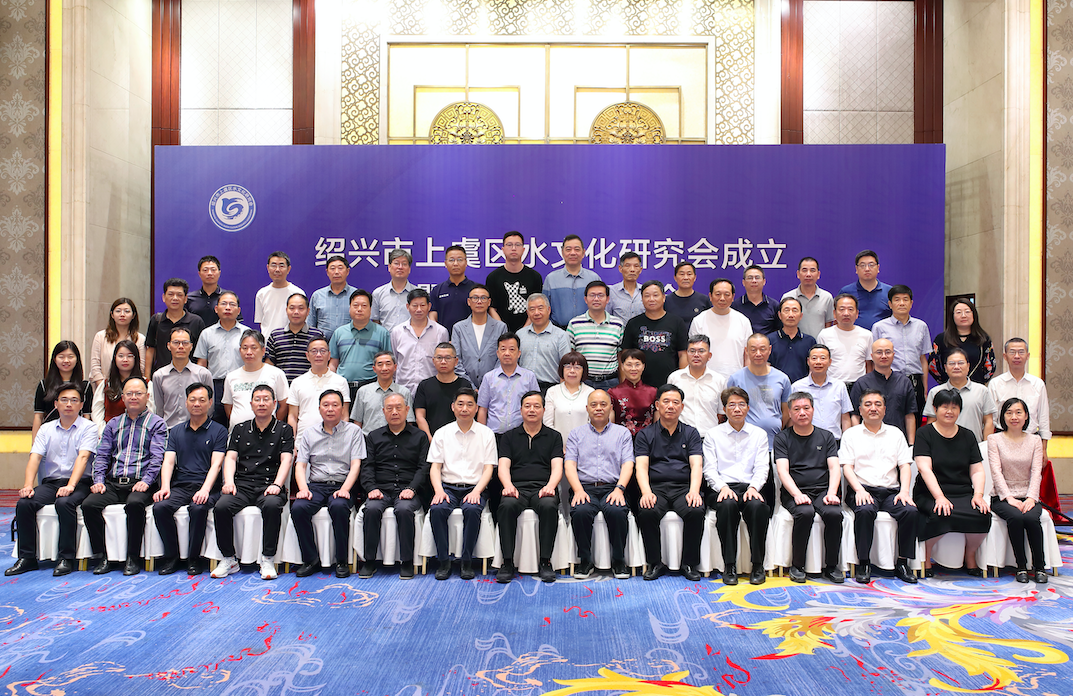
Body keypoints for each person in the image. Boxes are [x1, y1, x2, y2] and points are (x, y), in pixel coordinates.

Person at [6, 383, 96, 577]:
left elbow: (83, 458)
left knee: (64, 503)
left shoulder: (89, 427)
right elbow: (35, 457)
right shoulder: (46, 429)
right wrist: (28, 486)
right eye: (64, 400)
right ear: (56, 404)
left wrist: (70, 485)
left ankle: (66, 558)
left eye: (74, 400)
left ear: (82, 405)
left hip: (80, 482)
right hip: (52, 482)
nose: (69, 404)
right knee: (25, 503)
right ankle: (27, 557)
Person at [83, 376, 168, 575]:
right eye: (129, 394)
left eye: (138, 393)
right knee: (89, 505)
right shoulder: (113, 424)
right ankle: (102, 556)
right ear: (122, 397)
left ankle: (133, 557)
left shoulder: (157, 424)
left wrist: (146, 481)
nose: (133, 397)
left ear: (147, 396)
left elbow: (157, 458)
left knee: (135, 504)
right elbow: (102, 455)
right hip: (114, 482)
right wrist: (98, 481)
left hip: (141, 482)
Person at [211, 385, 295, 581]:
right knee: (221, 507)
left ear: (275, 404)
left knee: (272, 506)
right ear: (251, 404)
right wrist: (229, 482)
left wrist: (277, 485)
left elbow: (286, 460)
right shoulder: (240, 429)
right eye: (257, 399)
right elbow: (231, 458)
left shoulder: (284, 429)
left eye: (266, 399)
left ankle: (267, 558)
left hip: (270, 484)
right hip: (243, 484)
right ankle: (229, 558)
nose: (262, 403)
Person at [839, 389, 919, 584]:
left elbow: (905, 466)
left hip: (891, 491)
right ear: (860, 410)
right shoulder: (851, 434)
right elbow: (847, 467)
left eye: (877, 404)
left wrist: (905, 491)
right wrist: (859, 490)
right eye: (868, 404)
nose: (873, 408)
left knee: (910, 511)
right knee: (865, 510)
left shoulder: (896, 433)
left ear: (884, 409)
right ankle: (863, 563)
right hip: (862, 488)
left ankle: (902, 562)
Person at [151, 383, 229, 576]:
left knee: (198, 508)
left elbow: (216, 465)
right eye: (192, 399)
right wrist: (165, 486)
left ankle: (194, 558)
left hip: (209, 486)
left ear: (210, 403)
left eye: (202, 400)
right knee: (160, 507)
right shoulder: (176, 431)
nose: (197, 404)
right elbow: (169, 462)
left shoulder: (219, 430)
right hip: (182, 485)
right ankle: (172, 557)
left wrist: (205, 490)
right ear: (186, 402)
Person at [913, 389, 992, 577]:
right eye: (944, 407)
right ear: (935, 409)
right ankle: (926, 556)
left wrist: (978, 495)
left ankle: (970, 555)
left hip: (961, 491)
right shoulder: (924, 433)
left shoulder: (968, 435)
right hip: (929, 492)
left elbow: (977, 470)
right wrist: (939, 497)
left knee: (982, 514)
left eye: (954, 407)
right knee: (940, 513)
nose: (949, 411)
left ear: (960, 410)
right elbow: (925, 469)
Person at [291, 389, 366, 578]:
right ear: (319, 409)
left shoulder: (354, 432)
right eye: (326, 405)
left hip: (343, 483)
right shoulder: (309, 433)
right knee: (299, 508)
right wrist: (303, 489)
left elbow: (356, 465)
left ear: (342, 408)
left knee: (339, 507)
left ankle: (341, 561)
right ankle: (311, 559)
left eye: (335, 405)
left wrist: (345, 489)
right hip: (317, 484)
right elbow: (300, 465)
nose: (330, 409)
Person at [634, 384, 705, 581]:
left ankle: (689, 563)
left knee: (695, 510)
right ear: (657, 405)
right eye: (666, 401)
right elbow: (641, 467)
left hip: (683, 488)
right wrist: (646, 492)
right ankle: (655, 563)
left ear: (682, 407)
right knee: (647, 510)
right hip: (656, 488)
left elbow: (697, 465)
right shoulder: (645, 434)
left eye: (675, 402)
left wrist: (694, 491)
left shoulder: (691, 433)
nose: (671, 406)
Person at [702, 386, 771, 586]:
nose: (737, 409)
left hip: (751, 487)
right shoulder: (713, 434)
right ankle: (729, 565)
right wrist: (723, 487)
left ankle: (757, 565)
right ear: (724, 409)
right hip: (722, 487)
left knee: (758, 507)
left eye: (741, 404)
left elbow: (762, 467)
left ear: (748, 408)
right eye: (732, 405)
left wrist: (754, 488)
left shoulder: (759, 434)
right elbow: (709, 469)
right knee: (727, 506)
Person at [428, 387, 498, 580]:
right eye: (460, 404)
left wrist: (477, 492)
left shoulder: (486, 433)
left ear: (476, 408)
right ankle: (443, 561)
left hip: (476, 487)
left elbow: (488, 469)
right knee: (437, 509)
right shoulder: (442, 433)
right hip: (448, 487)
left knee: (472, 509)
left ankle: (467, 561)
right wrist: (438, 491)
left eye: (469, 404)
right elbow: (435, 467)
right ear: (453, 407)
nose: (464, 409)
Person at [564, 390, 635, 579]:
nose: (598, 408)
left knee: (617, 511)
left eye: (603, 404)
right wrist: (578, 490)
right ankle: (585, 560)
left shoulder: (622, 433)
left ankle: (618, 560)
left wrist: (620, 489)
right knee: (580, 511)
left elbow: (628, 464)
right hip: (584, 487)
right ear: (587, 408)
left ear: (611, 407)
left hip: (613, 487)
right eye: (594, 405)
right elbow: (569, 465)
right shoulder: (576, 434)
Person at [774, 392, 844, 583]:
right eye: (796, 409)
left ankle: (832, 565)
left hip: (822, 490)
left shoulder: (827, 436)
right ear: (790, 413)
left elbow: (834, 468)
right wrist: (797, 494)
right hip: (794, 491)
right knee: (805, 513)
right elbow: (782, 471)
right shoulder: (782, 438)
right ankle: (797, 565)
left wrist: (831, 493)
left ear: (813, 410)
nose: (802, 413)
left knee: (834, 513)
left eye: (806, 408)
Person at [495, 391, 564, 583]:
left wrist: (550, 486)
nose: (532, 410)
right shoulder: (508, 436)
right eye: (527, 406)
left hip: (543, 488)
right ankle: (507, 562)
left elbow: (557, 466)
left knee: (549, 506)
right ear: (520, 410)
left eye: (536, 406)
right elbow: (503, 466)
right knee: (506, 506)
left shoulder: (554, 436)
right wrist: (508, 485)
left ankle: (545, 561)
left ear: (544, 410)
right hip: (516, 488)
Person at [360, 391, 431, 580]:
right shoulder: (373, 437)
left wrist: (412, 488)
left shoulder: (420, 437)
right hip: (380, 489)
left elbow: (424, 467)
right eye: (389, 408)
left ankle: (406, 561)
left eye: (399, 407)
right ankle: (369, 561)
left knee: (404, 510)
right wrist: (371, 488)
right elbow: (367, 467)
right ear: (383, 411)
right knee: (371, 509)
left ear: (407, 410)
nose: (394, 412)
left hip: (409, 489)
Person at [987, 397, 1048, 583]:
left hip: (1028, 495)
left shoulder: (1035, 441)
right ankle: (1021, 566)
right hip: (1002, 496)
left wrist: (1031, 498)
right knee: (1016, 517)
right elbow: (996, 472)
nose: (1014, 417)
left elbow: (1036, 472)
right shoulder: (994, 439)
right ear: (1003, 416)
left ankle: (1040, 567)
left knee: (1031, 518)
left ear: (1026, 416)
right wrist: (1009, 498)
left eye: (1018, 412)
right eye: (1009, 412)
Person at [871, 285, 931, 417]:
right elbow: (874, 360)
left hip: (915, 381)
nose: (902, 303)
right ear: (890, 304)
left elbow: (923, 359)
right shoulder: (879, 327)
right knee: (890, 419)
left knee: (915, 419)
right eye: (897, 299)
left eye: (905, 299)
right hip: (889, 380)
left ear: (911, 303)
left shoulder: (921, 326)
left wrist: (925, 389)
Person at [989, 338, 1051, 459]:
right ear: (1005, 356)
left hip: (1031, 441)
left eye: (1021, 352)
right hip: (1002, 441)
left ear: (1028, 356)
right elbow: (991, 420)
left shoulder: (1037, 384)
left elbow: (1043, 419)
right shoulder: (995, 384)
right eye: (1012, 352)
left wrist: (1043, 449)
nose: (1017, 356)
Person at [194, 291, 249, 426]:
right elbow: (201, 363)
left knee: (241, 423)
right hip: (215, 385)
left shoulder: (247, 334)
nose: (228, 308)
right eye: (224, 304)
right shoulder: (206, 334)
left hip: (241, 384)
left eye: (232, 304)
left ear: (238, 310)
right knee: (214, 424)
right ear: (216, 309)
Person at [726, 334, 792, 448]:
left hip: (774, 443)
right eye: (753, 350)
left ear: (770, 350)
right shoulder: (735, 379)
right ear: (746, 351)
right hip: (743, 443)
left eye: (762, 349)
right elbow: (730, 411)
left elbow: (786, 412)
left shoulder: (782, 379)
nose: (758, 354)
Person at [622, 280, 689, 388]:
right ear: (642, 299)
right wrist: (625, 384)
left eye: (655, 295)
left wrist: (682, 382)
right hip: (639, 385)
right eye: (647, 296)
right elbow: (625, 356)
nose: (651, 299)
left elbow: (683, 354)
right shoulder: (633, 323)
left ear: (663, 297)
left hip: (669, 384)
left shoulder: (676, 322)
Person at [330, 289, 393, 402]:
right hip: (343, 387)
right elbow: (333, 363)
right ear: (349, 308)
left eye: (364, 305)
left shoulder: (382, 333)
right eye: (355, 305)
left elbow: (388, 364)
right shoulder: (339, 333)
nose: (359, 309)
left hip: (371, 387)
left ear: (370, 309)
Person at [850, 339, 918, 443]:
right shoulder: (861, 383)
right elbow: (855, 415)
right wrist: (858, 440)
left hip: (897, 440)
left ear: (893, 355)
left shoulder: (904, 382)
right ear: (872, 356)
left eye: (887, 352)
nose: (884, 356)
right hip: (868, 440)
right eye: (879, 352)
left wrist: (911, 444)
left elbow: (909, 415)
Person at [286, 336, 351, 442]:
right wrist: (291, 442)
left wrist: (343, 439)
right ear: (307, 356)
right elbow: (292, 416)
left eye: (323, 351)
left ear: (329, 355)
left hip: (335, 441)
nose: (318, 355)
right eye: (314, 351)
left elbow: (344, 415)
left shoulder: (341, 381)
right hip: (303, 441)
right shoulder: (297, 382)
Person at [923, 349, 997, 442]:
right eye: (952, 363)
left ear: (968, 366)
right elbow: (931, 422)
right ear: (945, 367)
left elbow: (988, 421)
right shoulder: (935, 392)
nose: (956, 367)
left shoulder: (982, 391)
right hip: (943, 446)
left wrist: (985, 446)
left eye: (961, 363)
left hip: (974, 446)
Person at [222, 330, 290, 430]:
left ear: (263, 351)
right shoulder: (231, 376)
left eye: (254, 348)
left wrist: (273, 425)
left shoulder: (276, 373)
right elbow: (228, 406)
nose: (249, 352)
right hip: (238, 433)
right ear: (240, 351)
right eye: (245, 348)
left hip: (268, 433)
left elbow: (284, 405)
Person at [688, 279, 752, 379]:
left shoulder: (743, 321)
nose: (722, 298)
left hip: (736, 379)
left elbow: (748, 355)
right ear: (710, 296)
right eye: (718, 294)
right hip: (706, 379)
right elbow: (693, 354)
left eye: (727, 294)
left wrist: (746, 379)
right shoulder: (699, 321)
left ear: (733, 297)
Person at [567, 280, 625, 391]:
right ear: (585, 299)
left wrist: (622, 384)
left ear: (607, 299)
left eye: (600, 295)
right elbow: (570, 355)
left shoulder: (618, 324)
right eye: (592, 295)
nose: (596, 299)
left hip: (610, 382)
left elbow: (620, 356)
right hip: (583, 381)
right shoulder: (574, 323)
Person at [477, 333, 539, 433]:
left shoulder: (529, 377)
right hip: (494, 433)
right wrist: (482, 435)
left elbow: (536, 407)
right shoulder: (489, 378)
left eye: (511, 349)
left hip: (522, 434)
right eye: (503, 349)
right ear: (498, 353)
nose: (507, 353)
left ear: (519, 353)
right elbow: (483, 409)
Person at [391, 288, 449, 395]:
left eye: (422, 305)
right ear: (407, 307)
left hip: (432, 390)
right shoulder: (397, 332)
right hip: (403, 389)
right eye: (414, 305)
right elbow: (395, 361)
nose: (419, 309)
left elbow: (445, 362)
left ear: (429, 306)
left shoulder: (441, 331)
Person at [152, 327, 213, 428]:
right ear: (168, 345)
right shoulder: (159, 375)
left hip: (197, 429)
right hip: (169, 429)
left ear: (191, 346)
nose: (181, 347)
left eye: (185, 343)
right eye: (176, 342)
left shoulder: (203, 374)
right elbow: (159, 408)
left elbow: (209, 407)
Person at [791, 344, 853, 442]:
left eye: (823, 358)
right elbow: (792, 417)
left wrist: (847, 442)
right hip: (804, 441)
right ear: (808, 361)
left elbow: (845, 417)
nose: (818, 362)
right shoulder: (797, 387)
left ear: (830, 362)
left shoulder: (839, 386)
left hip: (834, 441)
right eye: (814, 358)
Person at [33, 341, 93, 441]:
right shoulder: (44, 385)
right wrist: (35, 444)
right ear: (54, 359)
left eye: (70, 357)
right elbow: (38, 416)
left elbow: (86, 415)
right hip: (50, 437)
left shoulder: (85, 386)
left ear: (77, 359)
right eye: (61, 357)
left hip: (76, 437)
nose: (66, 360)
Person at [146, 278, 206, 377]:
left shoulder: (196, 322)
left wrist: (198, 376)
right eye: (170, 294)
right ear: (163, 297)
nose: (175, 298)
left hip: (190, 376)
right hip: (162, 376)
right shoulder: (156, 320)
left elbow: (202, 354)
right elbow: (150, 350)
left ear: (185, 299)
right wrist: (147, 377)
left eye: (179, 295)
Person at [451, 284, 508, 389]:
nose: (479, 301)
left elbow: (502, 358)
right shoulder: (458, 328)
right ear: (469, 302)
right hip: (465, 387)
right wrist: (471, 387)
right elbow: (456, 360)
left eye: (483, 298)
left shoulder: (500, 327)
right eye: (475, 298)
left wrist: (489, 384)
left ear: (489, 302)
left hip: (494, 386)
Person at [93, 340, 157, 433]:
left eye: (130, 356)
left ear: (136, 358)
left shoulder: (146, 384)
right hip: (110, 433)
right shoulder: (106, 384)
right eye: (121, 356)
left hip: (138, 433)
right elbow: (97, 412)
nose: (125, 360)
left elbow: (151, 411)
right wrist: (104, 433)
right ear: (115, 358)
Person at [669, 335, 726, 436]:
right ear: (687, 354)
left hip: (709, 437)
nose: (696, 355)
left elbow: (721, 413)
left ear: (709, 355)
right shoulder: (675, 378)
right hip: (680, 437)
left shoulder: (719, 380)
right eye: (692, 351)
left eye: (701, 351)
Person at [929, 297, 995, 385]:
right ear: (952, 316)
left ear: (974, 314)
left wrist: (977, 384)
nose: (963, 315)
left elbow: (990, 366)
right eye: (958, 312)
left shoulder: (983, 339)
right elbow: (933, 367)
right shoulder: (941, 339)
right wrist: (947, 383)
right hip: (949, 389)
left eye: (967, 312)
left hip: (976, 388)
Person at [486, 230, 543, 332]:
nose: (513, 248)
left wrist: (524, 331)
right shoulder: (493, 277)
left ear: (523, 249)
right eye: (509, 245)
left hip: (529, 331)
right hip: (500, 333)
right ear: (503, 249)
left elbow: (536, 307)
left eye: (517, 245)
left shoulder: (534, 277)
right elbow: (491, 308)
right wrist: (502, 330)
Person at [413, 343, 472, 441]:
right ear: (433, 361)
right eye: (439, 358)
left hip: (460, 440)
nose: (443, 362)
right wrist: (430, 440)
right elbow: (420, 416)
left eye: (448, 358)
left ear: (456, 361)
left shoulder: (464, 385)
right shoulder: (424, 385)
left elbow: (469, 415)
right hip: (431, 440)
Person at [816, 294, 873, 389]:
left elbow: (869, 364)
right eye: (842, 309)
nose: (846, 313)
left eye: (850, 309)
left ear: (857, 313)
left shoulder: (867, 335)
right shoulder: (824, 335)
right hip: (832, 386)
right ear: (834, 313)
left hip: (859, 386)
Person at [264, 293, 324, 383]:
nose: (296, 312)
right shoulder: (275, 336)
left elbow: (322, 364)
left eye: (301, 308)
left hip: (310, 387)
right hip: (282, 388)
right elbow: (269, 366)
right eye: (292, 308)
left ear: (308, 311)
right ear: (286, 310)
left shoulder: (317, 335)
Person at [351, 351, 415, 434]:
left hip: (398, 439)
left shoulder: (404, 392)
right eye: (380, 364)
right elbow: (357, 422)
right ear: (374, 369)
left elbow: (409, 421)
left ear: (395, 367)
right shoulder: (363, 391)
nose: (384, 368)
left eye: (388, 364)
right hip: (368, 439)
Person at [518, 293, 571, 393]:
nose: (536, 313)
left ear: (549, 310)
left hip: (550, 389)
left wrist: (562, 393)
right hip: (523, 388)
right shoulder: (520, 335)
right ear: (527, 313)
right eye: (532, 309)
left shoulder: (561, 336)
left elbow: (566, 367)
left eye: (540, 308)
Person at [545, 235, 601, 327]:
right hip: (558, 331)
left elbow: (601, 307)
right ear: (562, 253)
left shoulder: (594, 278)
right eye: (568, 249)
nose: (573, 253)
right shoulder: (551, 279)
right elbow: (544, 309)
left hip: (589, 330)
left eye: (577, 249)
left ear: (583, 253)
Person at [89, 297, 145, 387]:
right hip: (105, 387)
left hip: (132, 389)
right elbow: (95, 365)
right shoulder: (100, 336)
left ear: (133, 315)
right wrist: (103, 388)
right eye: (118, 311)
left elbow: (141, 367)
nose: (122, 314)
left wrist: (129, 388)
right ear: (112, 314)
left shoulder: (140, 339)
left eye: (127, 311)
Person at [543, 352, 595, 440]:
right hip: (557, 444)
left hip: (583, 443)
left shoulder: (590, 392)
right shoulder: (552, 391)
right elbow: (547, 423)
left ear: (584, 371)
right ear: (562, 369)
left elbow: (592, 423)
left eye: (577, 367)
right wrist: (557, 444)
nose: (572, 371)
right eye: (568, 367)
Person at [781, 256, 835, 339]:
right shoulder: (788, 297)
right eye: (804, 270)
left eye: (812, 270)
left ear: (818, 274)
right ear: (798, 274)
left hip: (818, 345)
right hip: (793, 344)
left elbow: (828, 326)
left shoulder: (827, 297)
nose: (808, 274)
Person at [255, 251, 304, 338]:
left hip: (290, 341)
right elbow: (261, 322)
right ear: (268, 268)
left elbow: (302, 321)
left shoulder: (298, 293)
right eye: (273, 265)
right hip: (267, 342)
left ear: (288, 269)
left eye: (281, 266)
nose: (277, 270)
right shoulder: (261, 294)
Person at [429, 245, 476, 335]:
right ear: (445, 264)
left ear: (466, 262)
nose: (455, 263)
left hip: (471, 339)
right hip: (444, 339)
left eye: (459, 260)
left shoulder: (475, 289)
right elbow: (432, 316)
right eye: (451, 260)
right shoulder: (437, 290)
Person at [839, 249, 892, 329]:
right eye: (862, 265)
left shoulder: (889, 292)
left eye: (871, 265)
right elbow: (838, 318)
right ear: (856, 269)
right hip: (852, 336)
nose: (867, 269)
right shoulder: (846, 292)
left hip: (883, 336)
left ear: (878, 268)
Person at [767, 297, 816, 383]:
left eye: (795, 310)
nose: (791, 315)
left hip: (802, 388)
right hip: (776, 387)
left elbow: (813, 370)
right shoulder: (769, 340)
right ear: (779, 315)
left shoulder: (810, 341)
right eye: (786, 310)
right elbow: (766, 367)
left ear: (801, 316)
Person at [608, 349, 657, 436]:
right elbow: (610, 424)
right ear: (622, 367)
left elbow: (657, 424)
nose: (633, 369)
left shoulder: (653, 392)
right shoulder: (613, 392)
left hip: (648, 439)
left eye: (637, 364)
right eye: (629, 365)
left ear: (643, 366)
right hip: (621, 438)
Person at [309, 254, 357, 338]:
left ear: (347, 271)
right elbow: (311, 324)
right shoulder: (317, 295)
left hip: (350, 342)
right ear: (327, 272)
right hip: (323, 343)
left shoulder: (356, 295)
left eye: (340, 268)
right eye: (332, 268)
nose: (336, 272)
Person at [371, 248, 417, 333]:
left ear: (409, 269)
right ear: (389, 267)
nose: (400, 267)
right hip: (386, 340)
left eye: (404, 264)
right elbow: (375, 322)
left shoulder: (417, 293)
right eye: (396, 263)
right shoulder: (378, 293)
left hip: (411, 340)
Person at [185, 255, 238, 327]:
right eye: (205, 270)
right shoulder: (190, 298)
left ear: (219, 273)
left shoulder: (228, 297)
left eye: (213, 270)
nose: (209, 273)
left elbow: (236, 322)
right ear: (199, 274)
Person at [735, 265, 780, 335]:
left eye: (757, 277)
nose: (754, 281)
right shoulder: (735, 306)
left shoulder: (774, 305)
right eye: (750, 278)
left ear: (764, 281)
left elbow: (778, 331)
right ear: (743, 282)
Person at [608, 251, 645, 323]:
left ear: (640, 270)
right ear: (620, 268)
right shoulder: (611, 292)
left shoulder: (646, 291)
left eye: (636, 266)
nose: (632, 270)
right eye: (627, 265)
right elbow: (606, 316)